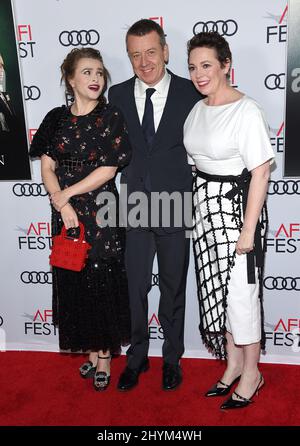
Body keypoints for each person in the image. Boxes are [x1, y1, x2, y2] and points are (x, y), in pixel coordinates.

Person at [29, 47, 132, 391]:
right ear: (70, 79)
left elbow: (109, 168)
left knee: (101, 282)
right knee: (77, 281)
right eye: (87, 72)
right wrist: (61, 205)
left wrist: (66, 195)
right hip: (66, 214)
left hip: (100, 212)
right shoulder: (55, 118)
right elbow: (47, 166)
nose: (95, 79)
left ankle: (104, 356)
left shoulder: (110, 116)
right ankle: (90, 350)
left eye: (100, 73)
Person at [184, 32, 275, 410]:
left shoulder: (246, 110)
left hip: (239, 217)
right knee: (217, 295)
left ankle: (253, 373)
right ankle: (233, 362)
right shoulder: (198, 108)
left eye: (207, 65)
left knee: (241, 297)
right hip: (205, 216)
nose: (199, 74)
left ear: (226, 65)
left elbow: (261, 173)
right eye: (192, 67)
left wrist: (248, 231)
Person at [108, 19, 200, 391]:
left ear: (165, 50)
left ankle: (172, 358)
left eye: (150, 52)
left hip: (176, 203)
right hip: (132, 206)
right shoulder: (115, 95)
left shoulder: (190, 91)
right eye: (135, 55)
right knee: (134, 288)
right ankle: (137, 357)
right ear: (128, 58)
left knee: (173, 287)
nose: (144, 62)